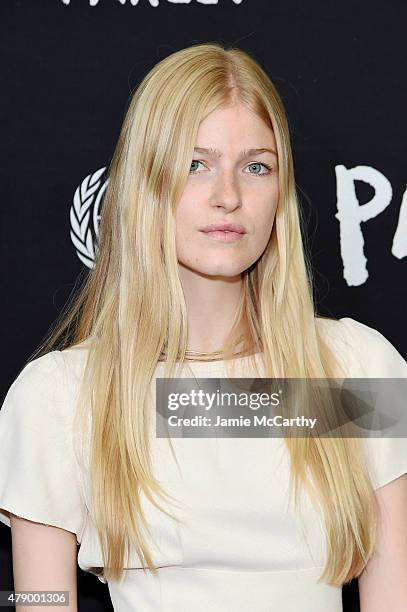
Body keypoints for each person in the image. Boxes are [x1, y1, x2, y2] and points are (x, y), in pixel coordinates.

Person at [0, 42, 406, 612]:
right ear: (144, 185)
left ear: (279, 195)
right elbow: (36, 599)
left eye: (255, 166)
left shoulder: (352, 369)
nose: (228, 197)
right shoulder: (63, 397)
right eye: (196, 164)